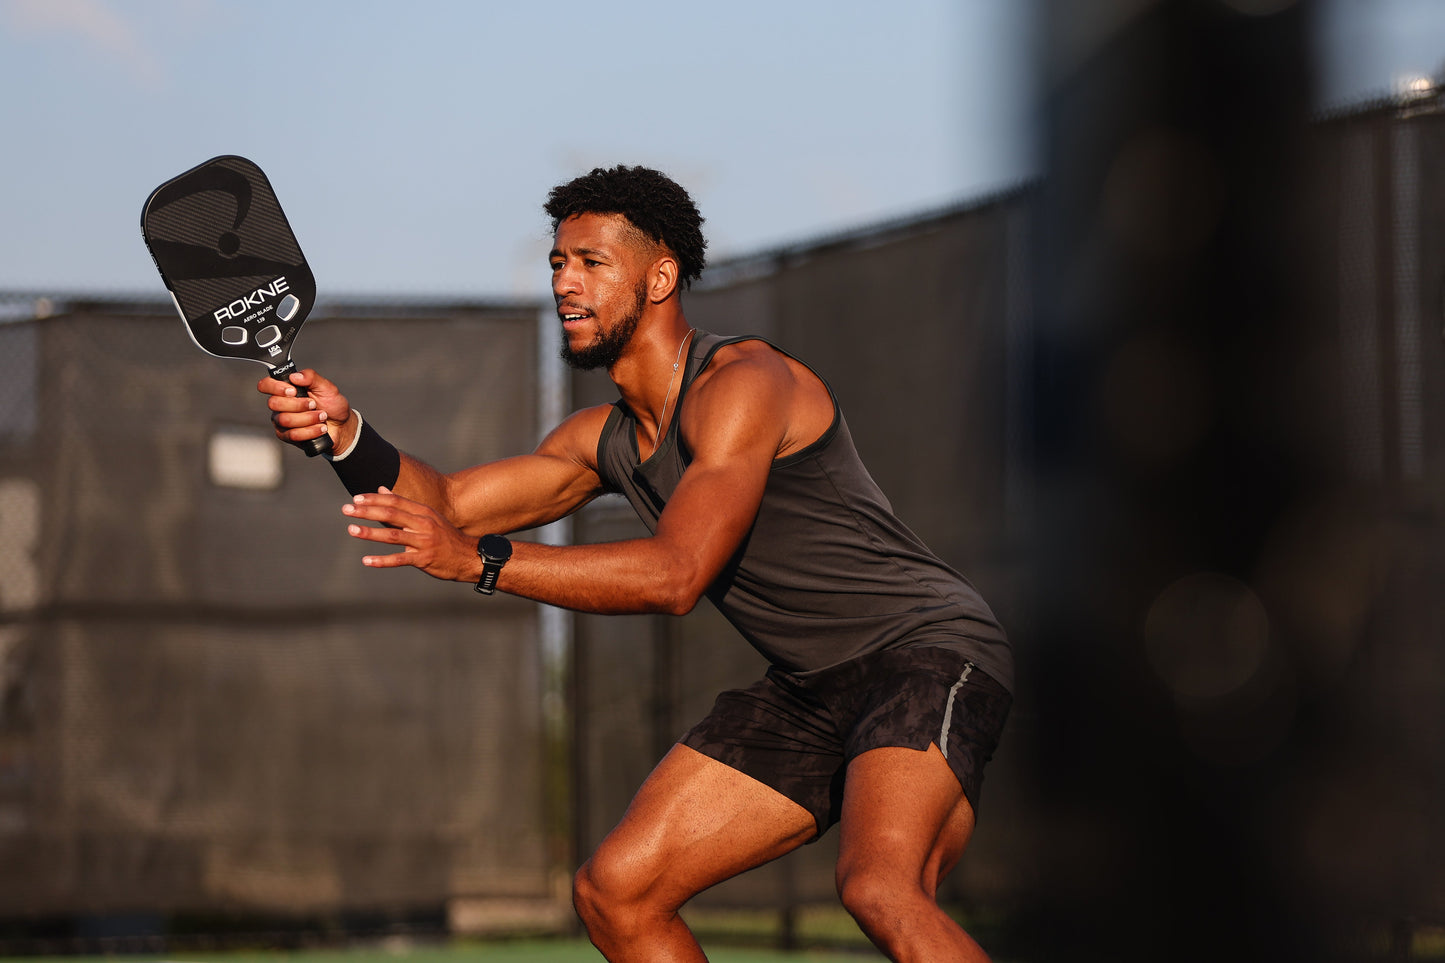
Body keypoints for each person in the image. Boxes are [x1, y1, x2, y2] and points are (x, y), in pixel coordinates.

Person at [259, 165, 1013, 963]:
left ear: (659, 277)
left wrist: (479, 563)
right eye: (557, 263)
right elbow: (446, 503)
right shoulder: (604, 437)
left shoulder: (742, 383)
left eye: (590, 262)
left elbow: (675, 573)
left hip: (924, 651)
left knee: (877, 887)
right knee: (616, 892)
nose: (564, 282)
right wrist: (343, 435)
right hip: (807, 686)